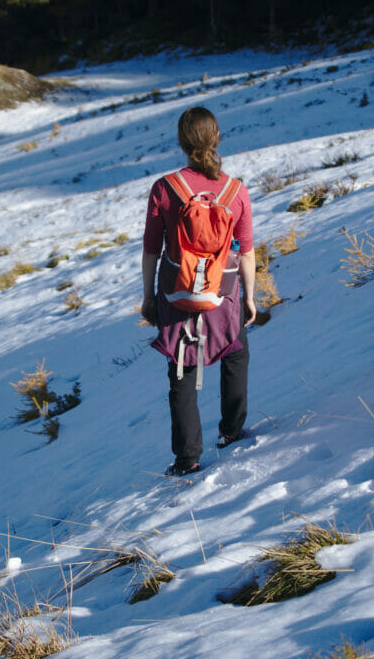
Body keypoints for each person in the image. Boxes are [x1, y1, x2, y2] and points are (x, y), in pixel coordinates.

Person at [141, 106, 256, 476]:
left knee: (181, 371)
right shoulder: (236, 191)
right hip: (223, 290)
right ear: (217, 138)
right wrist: (249, 298)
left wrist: (148, 297)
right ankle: (232, 431)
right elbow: (247, 250)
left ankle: (187, 457)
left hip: (177, 291)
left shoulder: (165, 188)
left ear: (181, 142)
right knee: (235, 352)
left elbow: (151, 250)